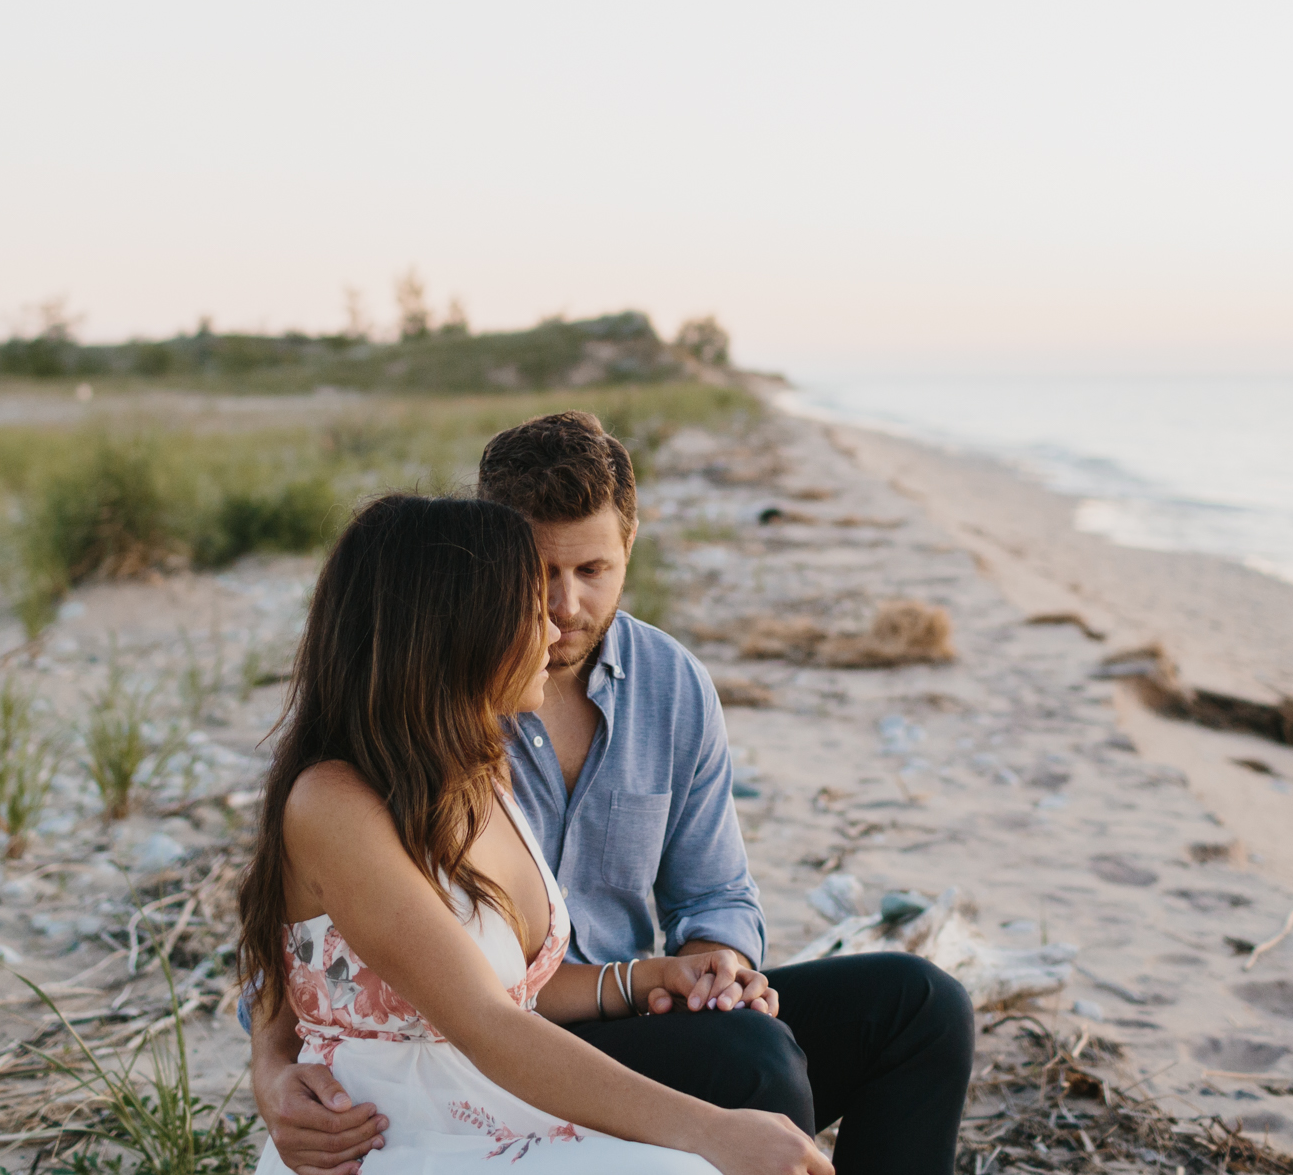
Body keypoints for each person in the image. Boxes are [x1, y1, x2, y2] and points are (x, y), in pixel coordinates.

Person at [254, 414, 974, 1175]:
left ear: (629, 547)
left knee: (920, 1004)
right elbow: (314, 943)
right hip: (492, 1059)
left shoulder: (664, 687)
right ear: (472, 579)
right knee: (751, 1061)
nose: (561, 608)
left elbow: (716, 890)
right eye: (536, 579)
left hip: (618, 1010)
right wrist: (271, 1067)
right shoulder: (404, 745)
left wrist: (705, 969)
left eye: (592, 571)